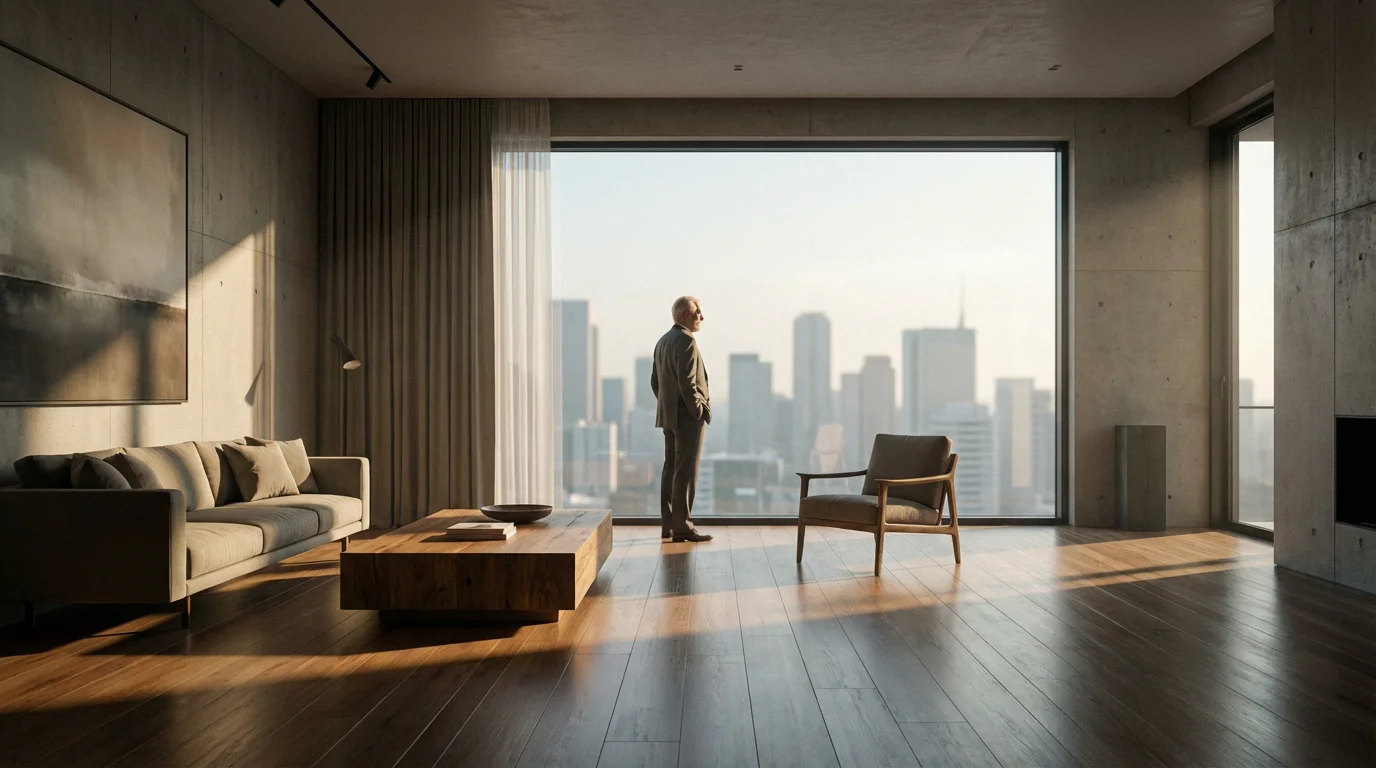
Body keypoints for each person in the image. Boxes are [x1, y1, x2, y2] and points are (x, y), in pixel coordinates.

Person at [650, 296, 713, 542]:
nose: (702, 317)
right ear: (686, 315)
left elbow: (655, 381)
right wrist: (697, 410)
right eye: (698, 311)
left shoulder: (662, 341)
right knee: (685, 471)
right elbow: (688, 382)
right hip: (686, 417)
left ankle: (669, 524)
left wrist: (667, 405)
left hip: (668, 416)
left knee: (671, 468)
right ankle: (684, 527)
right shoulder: (686, 340)